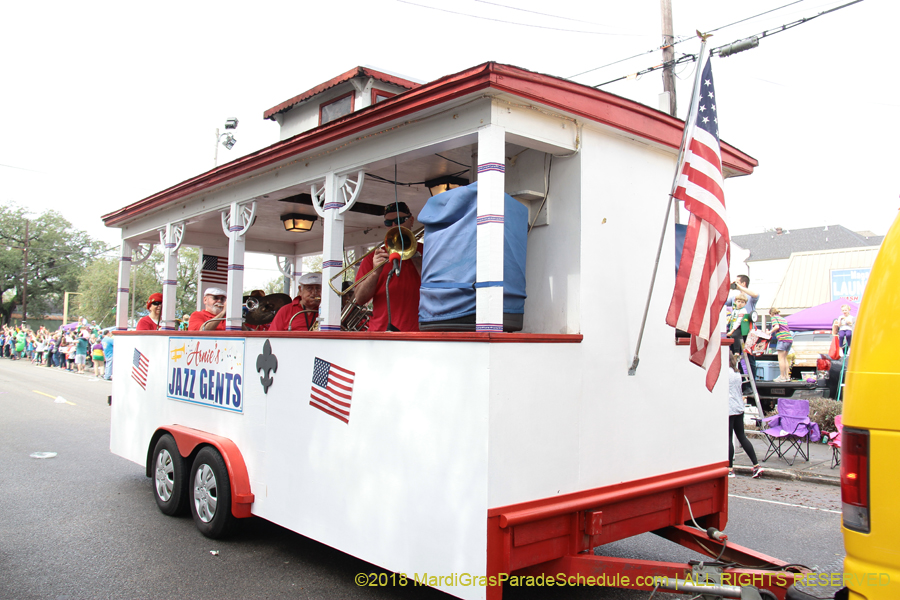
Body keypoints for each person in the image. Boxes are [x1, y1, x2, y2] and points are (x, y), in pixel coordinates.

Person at [353, 202, 423, 332]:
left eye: (400, 220)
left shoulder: (426, 251)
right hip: (381, 332)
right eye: (388, 223)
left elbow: (438, 289)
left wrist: (417, 259)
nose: (394, 226)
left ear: (411, 220)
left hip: (418, 333)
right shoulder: (374, 257)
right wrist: (375, 272)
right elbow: (360, 299)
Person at [727, 354, 762, 479]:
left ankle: (730, 469)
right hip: (739, 408)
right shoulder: (737, 373)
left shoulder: (724, 374)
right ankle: (756, 465)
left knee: (728, 438)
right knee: (742, 436)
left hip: (729, 409)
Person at [767, 307, 794, 382]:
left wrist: (770, 332)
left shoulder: (774, 318)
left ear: (771, 314)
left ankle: (782, 377)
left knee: (781, 359)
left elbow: (776, 326)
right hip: (789, 339)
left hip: (782, 339)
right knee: (785, 358)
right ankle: (787, 376)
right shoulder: (783, 319)